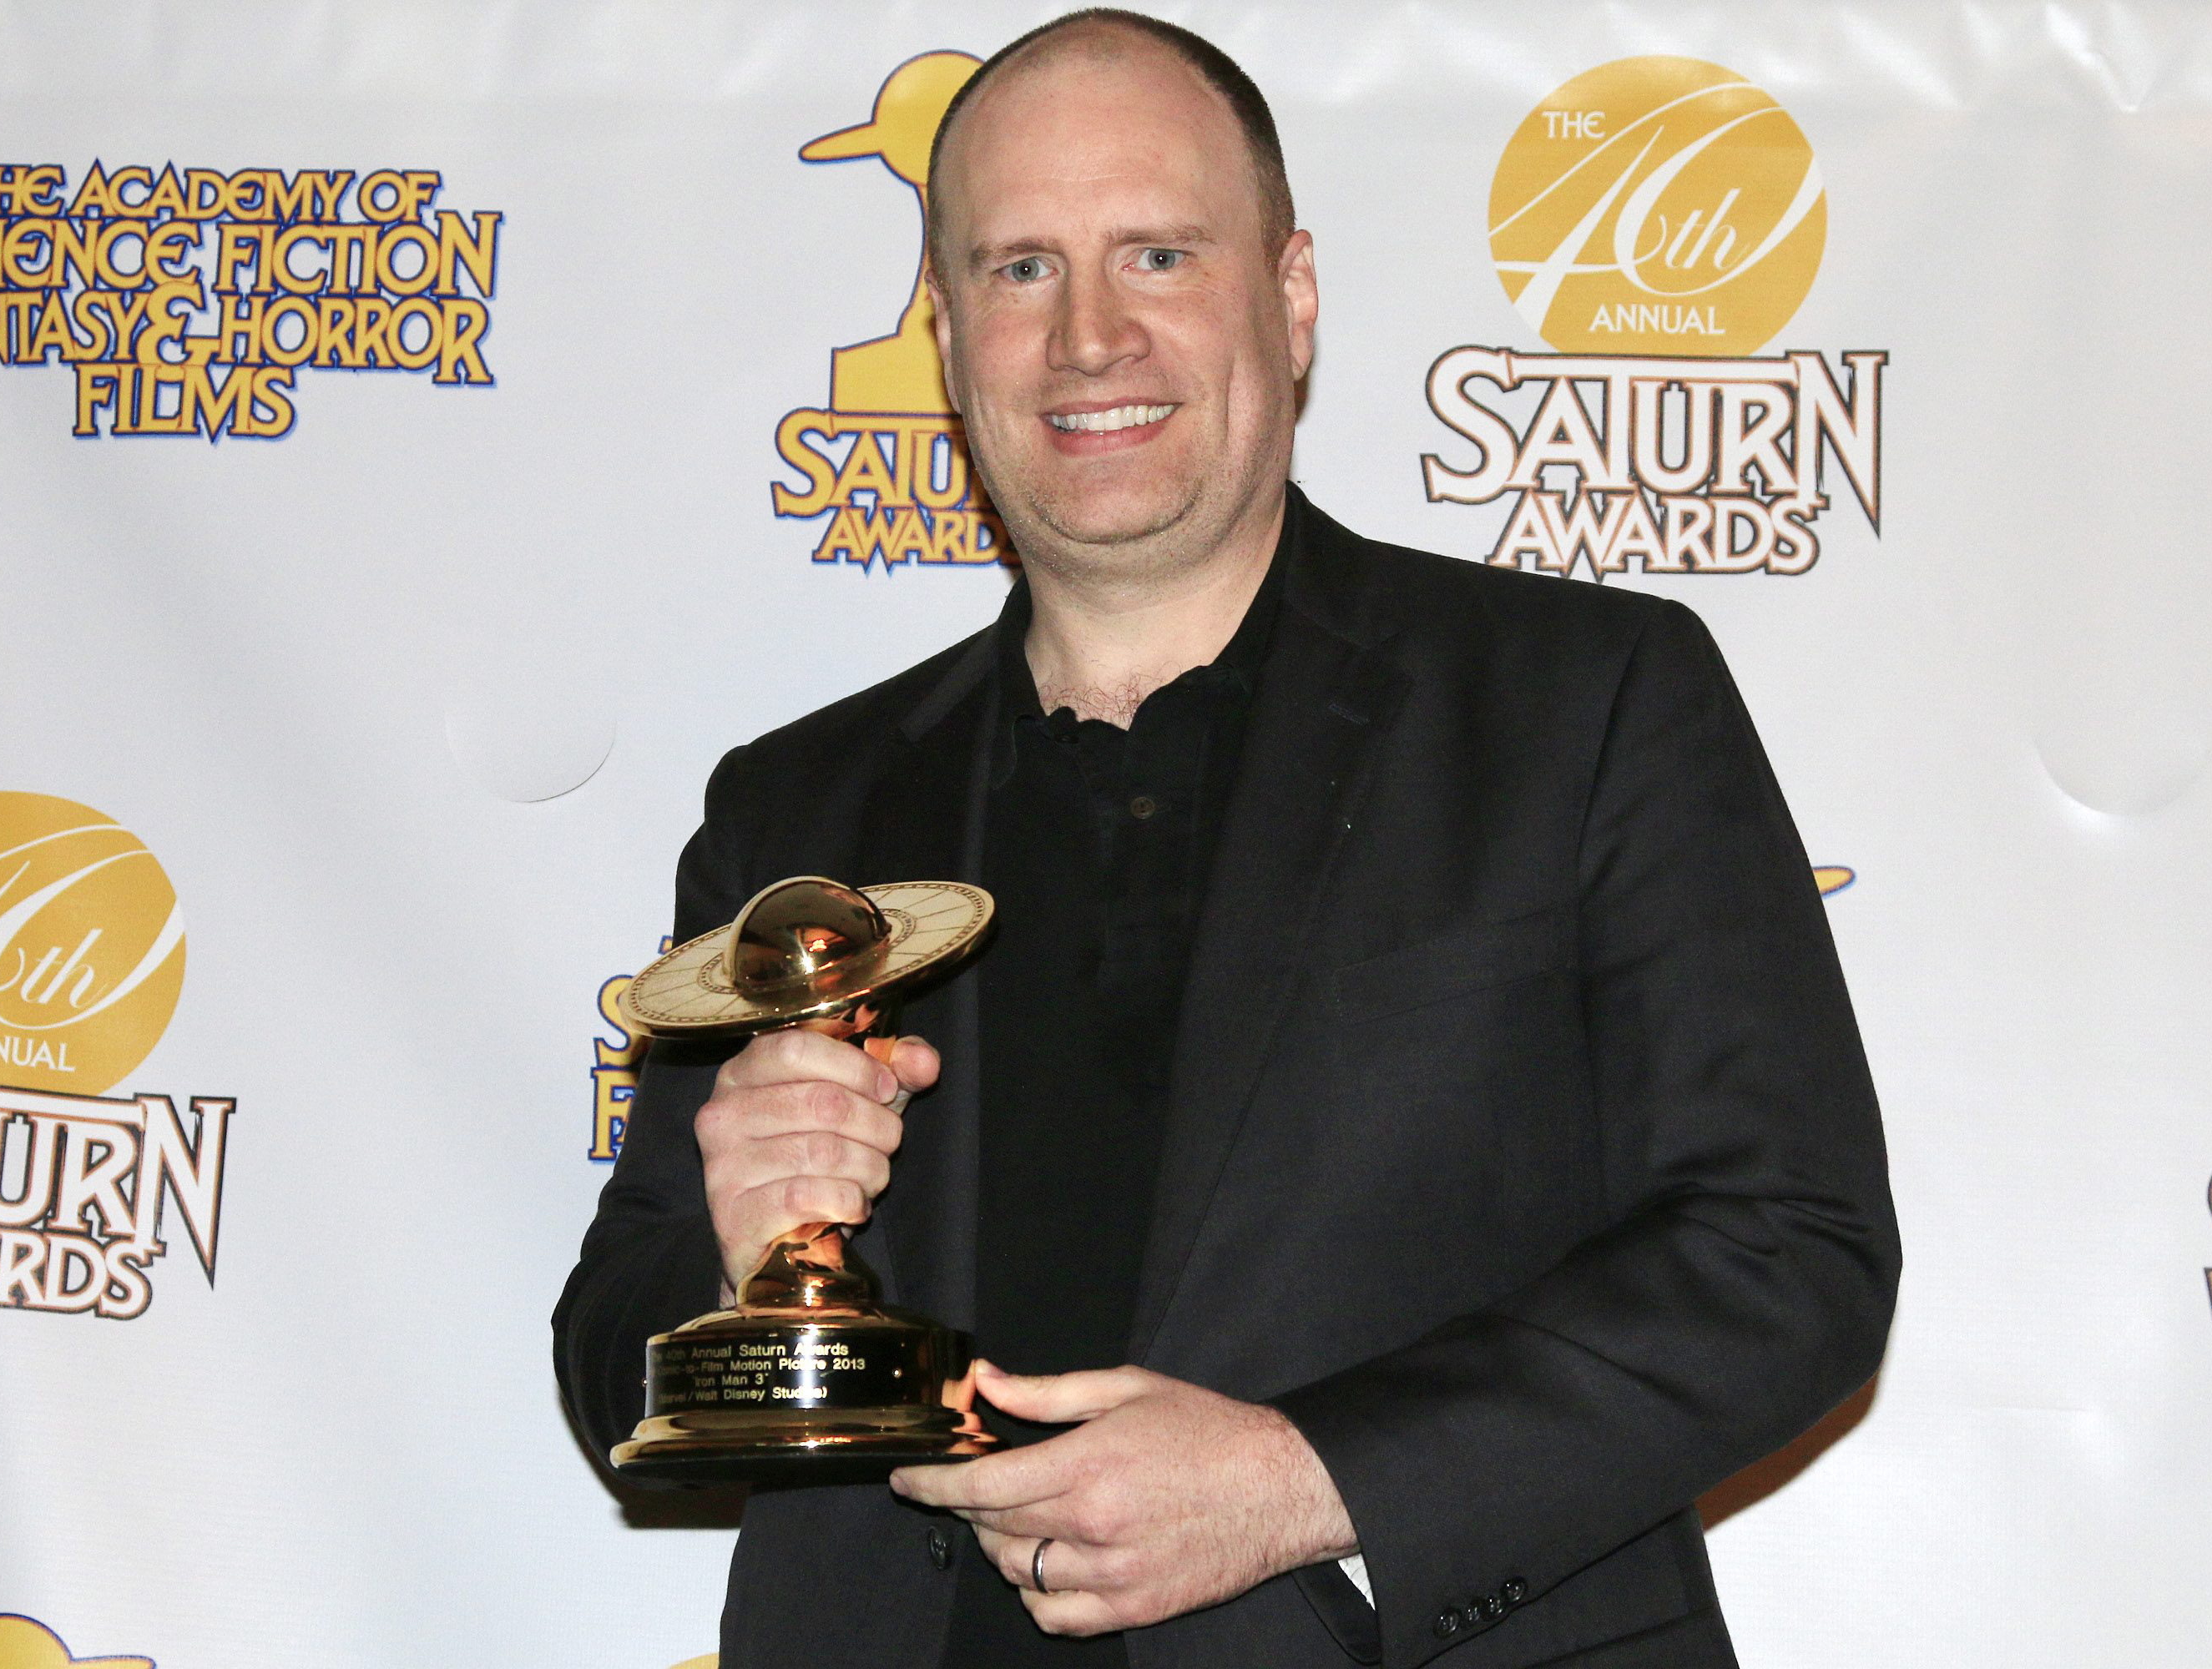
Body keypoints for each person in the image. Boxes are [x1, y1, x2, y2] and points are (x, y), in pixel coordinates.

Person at [553, 11, 1899, 1667]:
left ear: (1292, 293)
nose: (1090, 336)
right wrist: (735, 1253)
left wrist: (1306, 1480)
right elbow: (615, 1374)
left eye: (1160, 254)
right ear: (950, 332)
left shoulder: (1584, 702)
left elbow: (1789, 1251)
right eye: (1022, 269)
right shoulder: (796, 810)